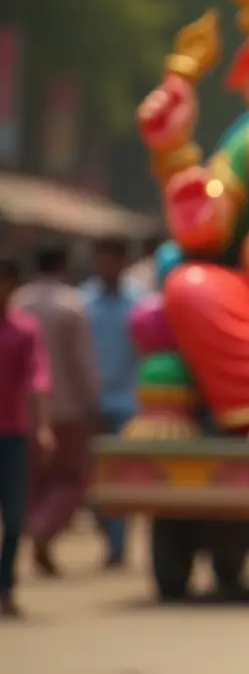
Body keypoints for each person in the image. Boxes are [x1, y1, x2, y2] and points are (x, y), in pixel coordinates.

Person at [11, 246, 101, 578]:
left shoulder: (19, 302)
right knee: (72, 478)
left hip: (24, 409)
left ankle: (34, 533)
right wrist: (93, 401)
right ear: (63, 266)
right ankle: (43, 528)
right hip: (66, 409)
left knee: (34, 480)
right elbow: (81, 361)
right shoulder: (72, 305)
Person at [82, 237, 143, 568]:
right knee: (90, 479)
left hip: (129, 402)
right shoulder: (82, 303)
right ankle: (107, 531)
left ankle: (118, 544)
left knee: (121, 477)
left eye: (113, 258)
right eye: (102, 258)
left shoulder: (139, 303)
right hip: (90, 402)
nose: (107, 265)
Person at [0, 257, 54, 618]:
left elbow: (39, 376)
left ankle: (5, 586)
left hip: (13, 436)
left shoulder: (24, 330)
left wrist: (44, 425)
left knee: (16, 518)